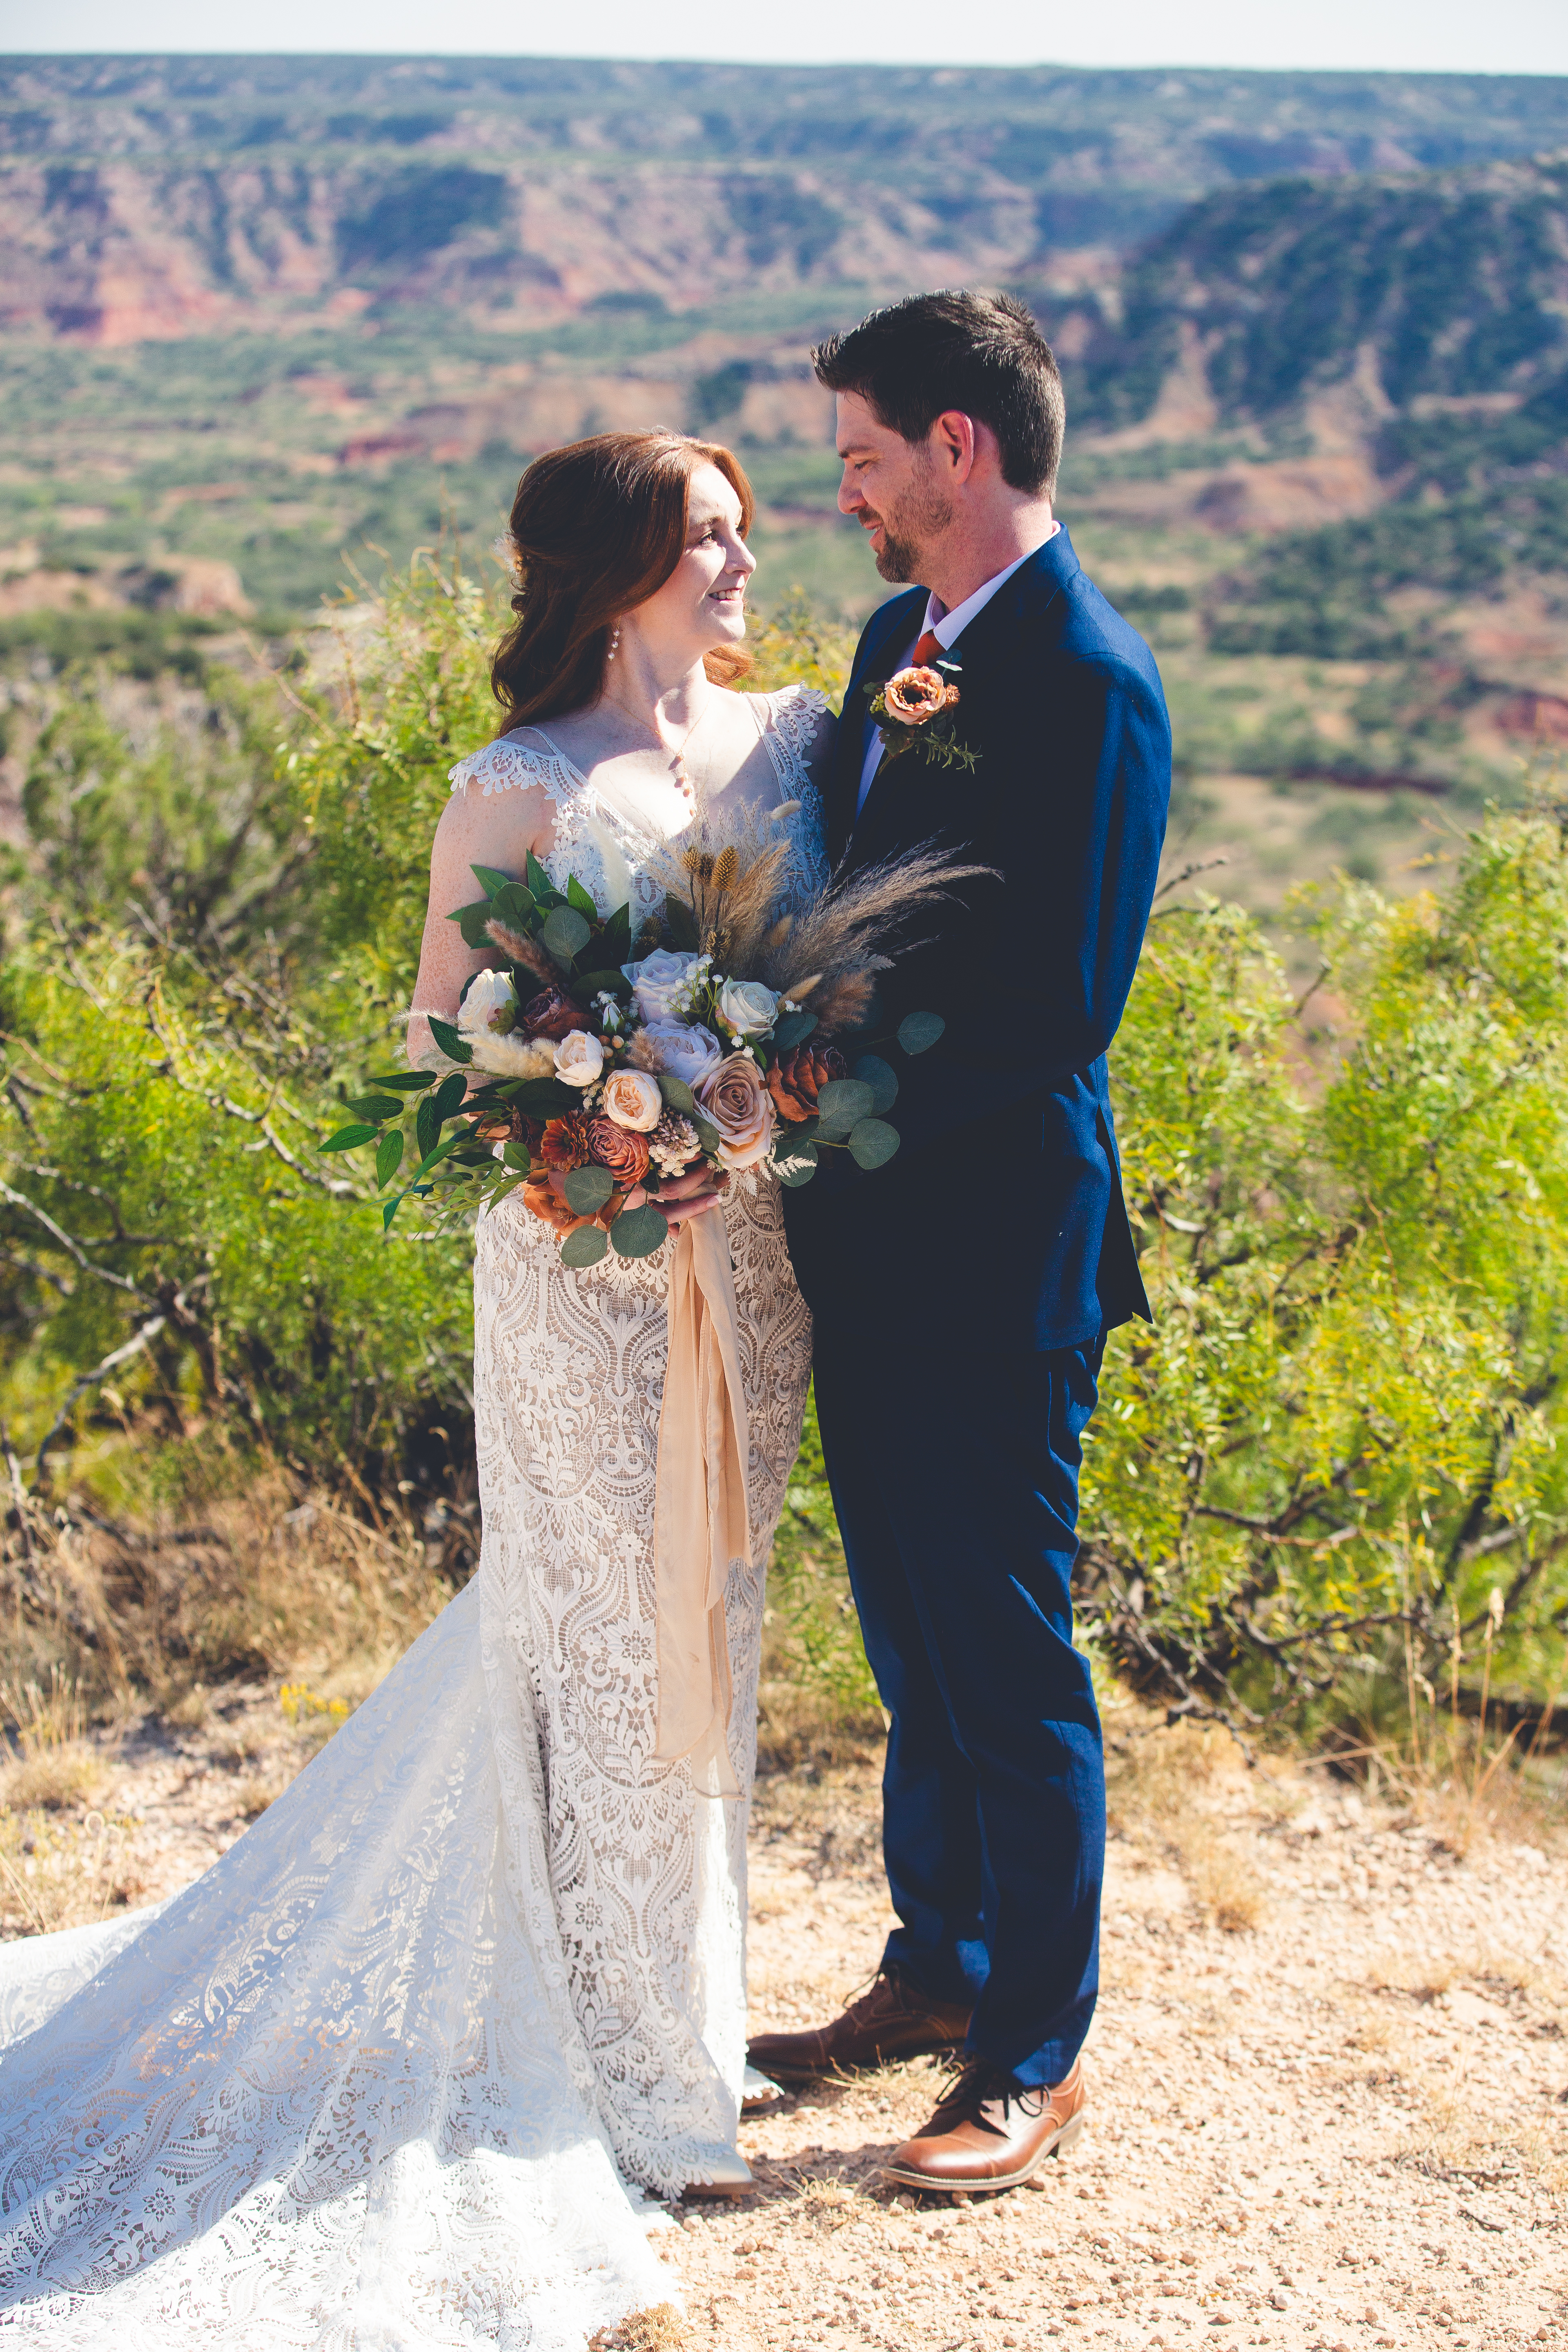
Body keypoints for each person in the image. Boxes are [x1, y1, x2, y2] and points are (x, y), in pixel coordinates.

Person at [0, 432, 829, 2344]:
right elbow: (450, 1048)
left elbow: (833, 979)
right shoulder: (516, 782)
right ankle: (637, 2079)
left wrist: (750, 1117)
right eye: (703, 535)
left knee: (717, 1611)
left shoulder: (791, 740)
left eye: (741, 529)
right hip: (586, 1263)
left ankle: (682, 2014)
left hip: (756, 1253)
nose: (739, 560)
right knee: (609, 1633)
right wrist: (605, 1137)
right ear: (612, 570)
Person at [750, 291, 1172, 2196]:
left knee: (1006, 1655)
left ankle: (1032, 2057)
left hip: (998, 1255)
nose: (845, 493)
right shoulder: (892, 640)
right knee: (916, 1643)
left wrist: (819, 1086)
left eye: (860, 458)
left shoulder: (1089, 680)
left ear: (958, 448)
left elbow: (1060, 1010)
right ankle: (936, 1971)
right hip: (864, 1242)